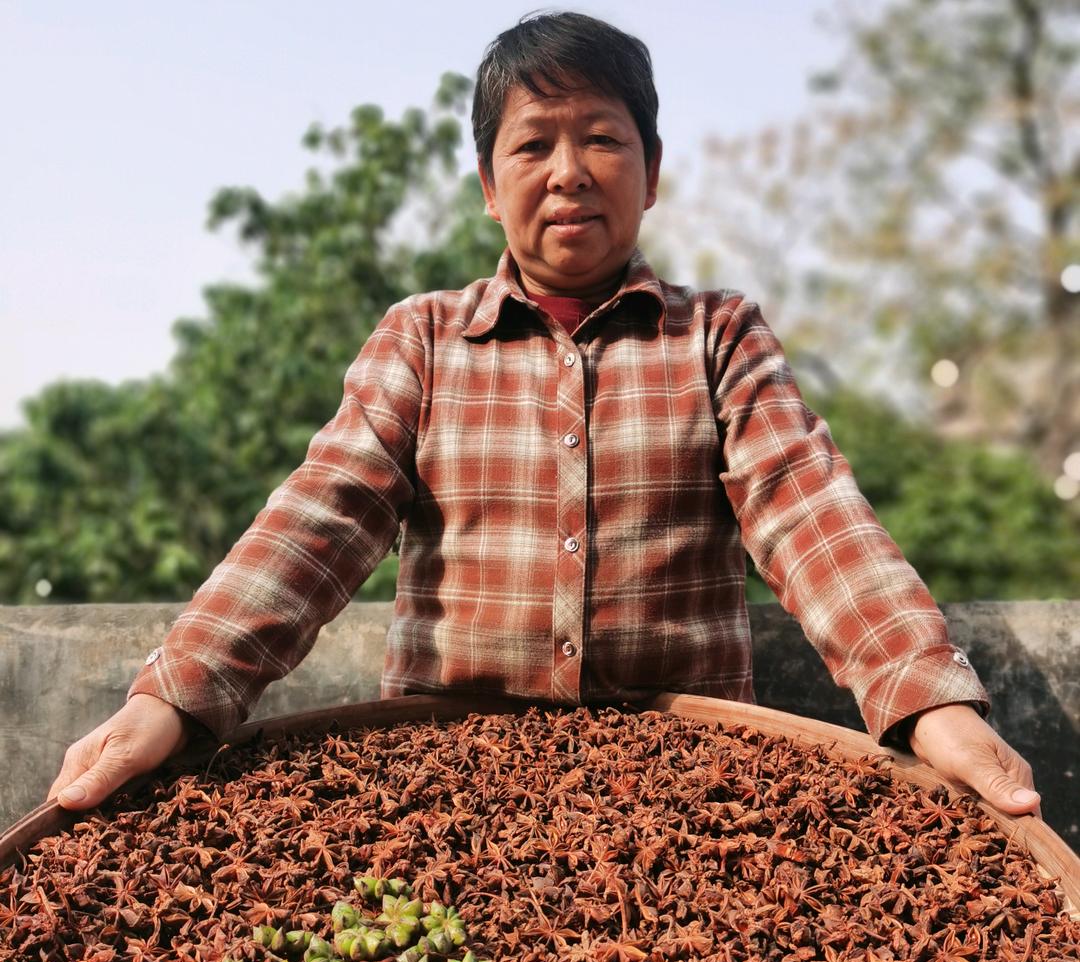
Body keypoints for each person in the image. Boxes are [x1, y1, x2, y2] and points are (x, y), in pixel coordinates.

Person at [49, 12, 1040, 821]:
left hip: (689, 779)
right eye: (534, 145)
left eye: (603, 139)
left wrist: (925, 699)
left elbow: (811, 512)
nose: (569, 170)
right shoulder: (423, 342)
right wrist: (174, 697)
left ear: (651, 174)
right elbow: (318, 521)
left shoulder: (717, 337)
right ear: (489, 187)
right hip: (444, 779)